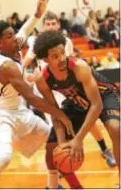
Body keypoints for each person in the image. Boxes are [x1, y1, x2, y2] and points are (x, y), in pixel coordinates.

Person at [0, 0, 74, 189]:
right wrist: (61, 115)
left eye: (13, 34)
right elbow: (31, 98)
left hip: (18, 112)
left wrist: (38, 14)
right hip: (0, 116)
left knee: (51, 139)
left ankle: (52, 184)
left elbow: (25, 29)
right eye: (9, 37)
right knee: (4, 157)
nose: (15, 38)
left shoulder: (14, 45)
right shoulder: (6, 67)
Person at [33, 31, 120, 189]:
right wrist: (61, 143)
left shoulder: (79, 67)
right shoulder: (42, 79)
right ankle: (75, 187)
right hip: (77, 100)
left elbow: (97, 105)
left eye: (62, 53)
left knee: (116, 128)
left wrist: (78, 139)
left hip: (103, 95)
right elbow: (55, 112)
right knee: (53, 147)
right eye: (55, 56)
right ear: (45, 59)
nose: (62, 59)